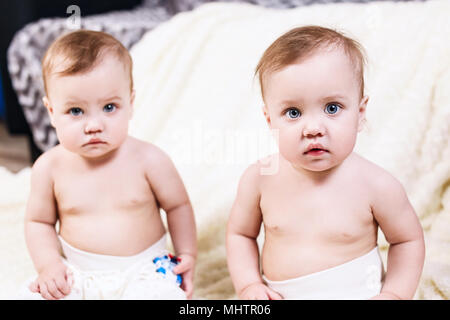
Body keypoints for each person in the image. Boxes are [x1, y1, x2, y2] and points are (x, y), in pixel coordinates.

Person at [226, 26, 425, 300]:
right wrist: (249, 285)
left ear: (360, 112)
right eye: (293, 112)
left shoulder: (377, 185)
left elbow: (407, 241)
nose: (313, 129)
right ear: (270, 119)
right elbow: (240, 235)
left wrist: (394, 294)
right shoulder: (259, 179)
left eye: (332, 108)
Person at [18, 30, 197, 300]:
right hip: (77, 273)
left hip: (144, 272)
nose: (94, 126)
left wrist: (187, 254)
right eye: (75, 111)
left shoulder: (150, 160)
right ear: (51, 112)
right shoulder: (49, 168)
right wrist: (50, 265)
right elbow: (39, 222)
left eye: (110, 107)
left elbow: (178, 206)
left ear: (130, 103)